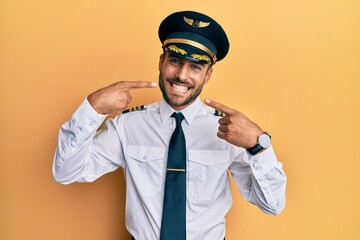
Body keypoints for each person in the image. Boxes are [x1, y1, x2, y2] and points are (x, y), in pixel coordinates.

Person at [53, 10, 287, 240]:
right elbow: (65, 172)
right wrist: (91, 109)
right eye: (175, 61)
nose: (182, 75)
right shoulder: (127, 125)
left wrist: (258, 145)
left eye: (195, 67)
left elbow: (272, 205)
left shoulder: (228, 130)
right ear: (161, 61)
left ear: (207, 76)